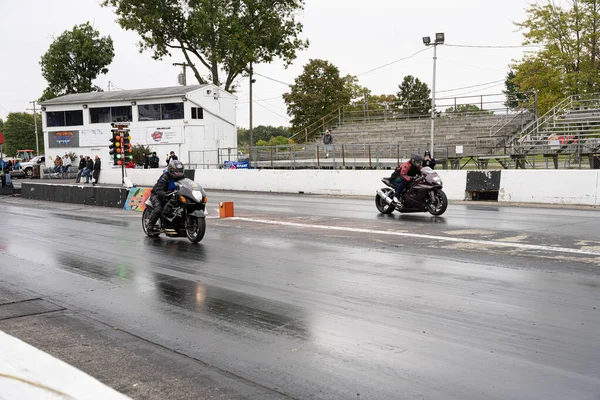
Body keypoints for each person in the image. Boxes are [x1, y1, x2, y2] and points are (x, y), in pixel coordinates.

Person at [145, 160, 185, 232]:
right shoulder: (165, 177)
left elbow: (187, 185)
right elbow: (159, 189)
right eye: (177, 171)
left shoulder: (182, 178)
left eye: (180, 171)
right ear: (171, 171)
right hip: (157, 195)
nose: (179, 173)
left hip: (172, 196)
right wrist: (164, 194)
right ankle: (150, 227)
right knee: (159, 208)